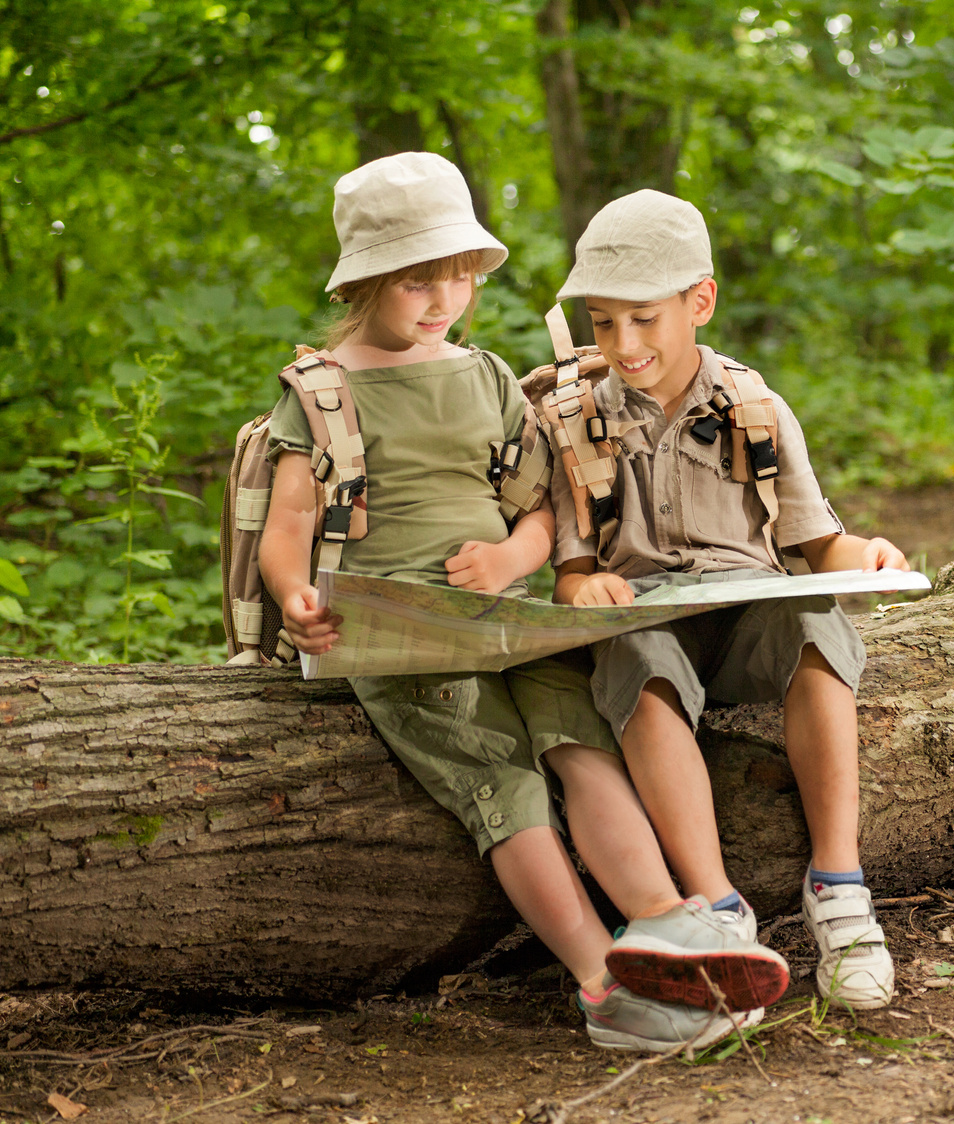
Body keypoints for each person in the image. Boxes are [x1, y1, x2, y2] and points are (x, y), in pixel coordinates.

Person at [256, 153, 785, 1052]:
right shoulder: (322, 390)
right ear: (367, 282)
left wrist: (510, 559)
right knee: (500, 782)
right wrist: (296, 597)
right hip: (396, 629)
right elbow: (288, 525)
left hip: (506, 620)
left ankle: (666, 922)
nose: (441, 298)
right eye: (417, 280)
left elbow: (542, 510)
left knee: (580, 740)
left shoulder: (487, 377)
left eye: (457, 276)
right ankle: (602, 984)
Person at [551, 189, 906, 1010]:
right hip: (651, 627)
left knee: (816, 618)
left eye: (643, 319)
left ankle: (838, 886)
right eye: (602, 323)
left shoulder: (753, 407)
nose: (623, 343)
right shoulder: (573, 421)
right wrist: (584, 584)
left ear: (699, 301)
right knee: (635, 655)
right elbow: (570, 572)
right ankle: (714, 907)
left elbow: (820, 546)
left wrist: (870, 555)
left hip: (748, 624)